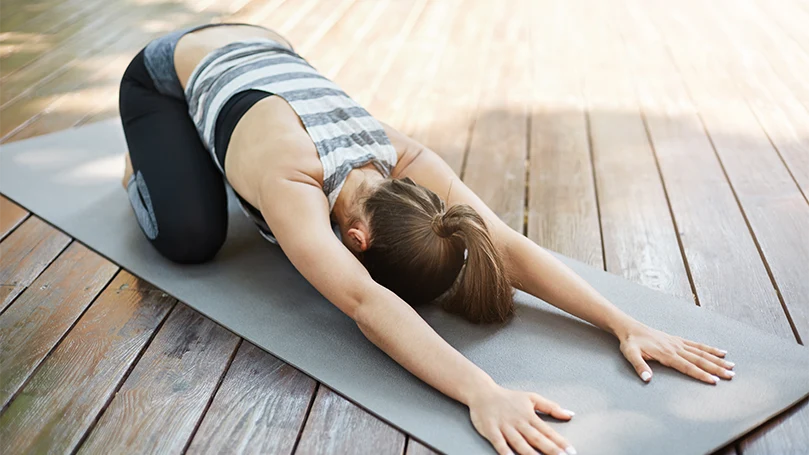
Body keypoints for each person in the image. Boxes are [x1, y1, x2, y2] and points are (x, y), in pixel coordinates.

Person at [119, 22, 735, 455]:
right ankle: (144, 164)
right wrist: (482, 394)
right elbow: (365, 302)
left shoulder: (401, 156)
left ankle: (211, 149)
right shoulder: (291, 181)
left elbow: (502, 240)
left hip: (265, 45)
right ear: (355, 238)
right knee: (193, 238)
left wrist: (624, 323)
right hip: (165, 72)